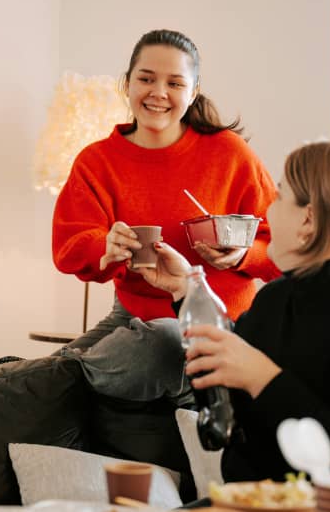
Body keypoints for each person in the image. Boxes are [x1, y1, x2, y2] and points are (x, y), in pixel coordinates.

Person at [135, 139, 330, 510]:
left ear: (308, 218)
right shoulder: (275, 299)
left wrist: (263, 379)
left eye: (280, 197)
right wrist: (188, 289)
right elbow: (226, 413)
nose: (268, 210)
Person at [51, 29, 281, 356]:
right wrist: (105, 245)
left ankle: (83, 371)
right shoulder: (96, 162)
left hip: (220, 321)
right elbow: (69, 247)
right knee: (45, 378)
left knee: (159, 344)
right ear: (127, 83)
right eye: (146, 79)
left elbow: (281, 249)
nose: (158, 93)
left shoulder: (229, 153)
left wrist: (243, 254)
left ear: (193, 92)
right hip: (133, 321)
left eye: (174, 83)